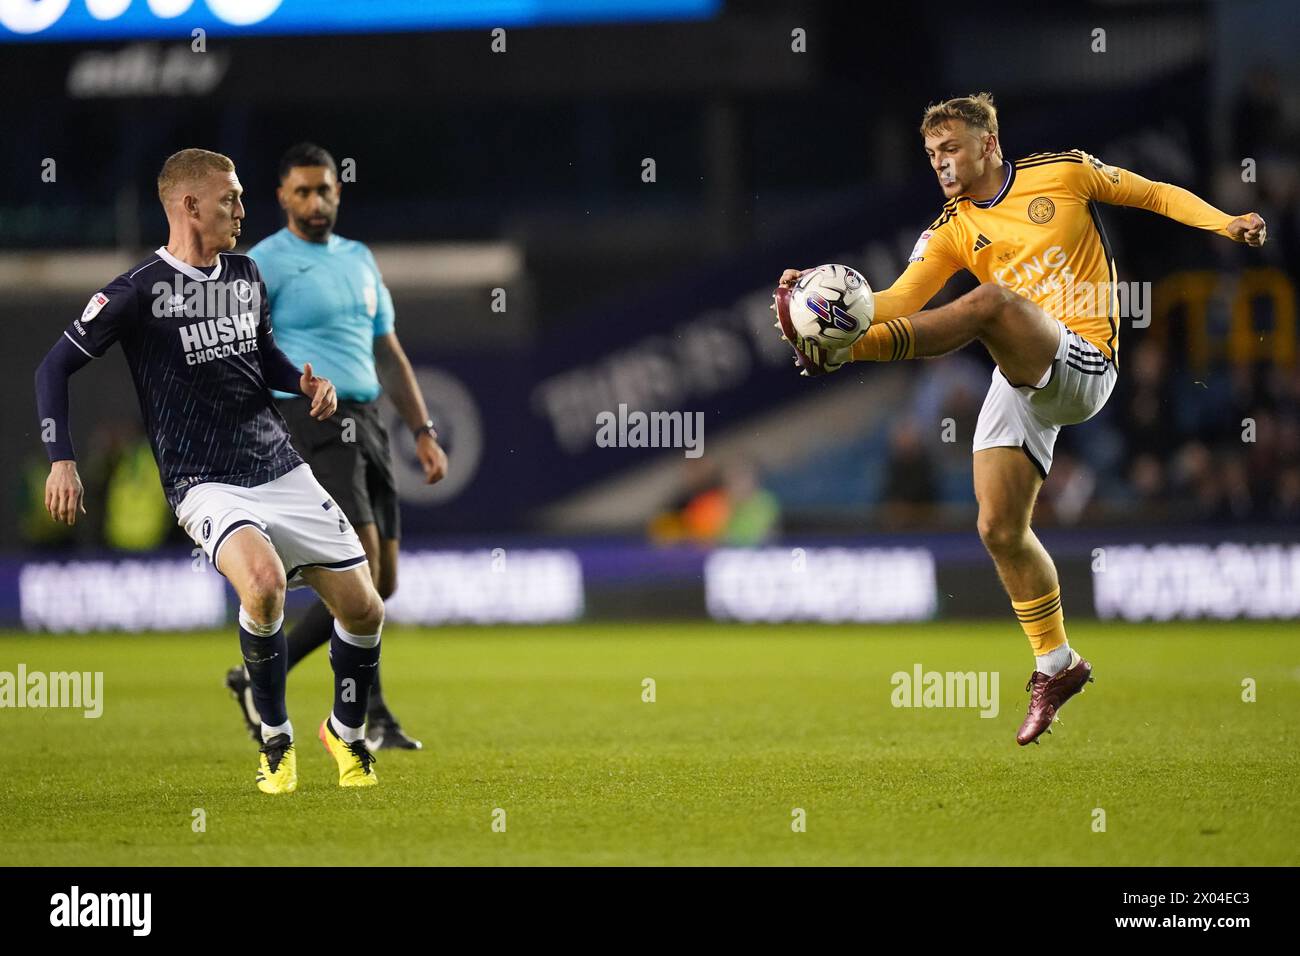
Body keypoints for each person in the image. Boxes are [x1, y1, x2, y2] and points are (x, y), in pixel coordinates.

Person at [778, 93, 1266, 745]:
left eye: (950, 148)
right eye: (931, 155)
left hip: (1086, 360)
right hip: (1023, 373)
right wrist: (824, 301)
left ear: (987, 141)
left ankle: (842, 357)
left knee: (992, 303)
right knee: (999, 529)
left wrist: (1225, 221)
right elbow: (895, 299)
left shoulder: (1060, 173)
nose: (941, 164)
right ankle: (1056, 664)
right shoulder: (951, 229)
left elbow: (1150, 194)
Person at [36, 148, 386, 792]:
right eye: (230, 198)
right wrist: (62, 459)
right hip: (204, 479)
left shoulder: (247, 272)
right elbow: (52, 367)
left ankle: (345, 729)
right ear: (189, 205)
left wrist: (303, 384)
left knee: (365, 609)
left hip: (278, 464)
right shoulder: (136, 291)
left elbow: (264, 360)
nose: (242, 209)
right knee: (263, 582)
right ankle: (275, 739)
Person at [223, 143, 448, 752]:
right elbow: (241, 350)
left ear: (338, 191)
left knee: (385, 583)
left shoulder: (359, 259)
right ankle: (360, 717)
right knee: (362, 575)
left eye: (324, 190)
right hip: (313, 420)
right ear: (282, 197)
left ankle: (264, 678)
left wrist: (422, 431)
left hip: (369, 420)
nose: (315, 202)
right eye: (302, 191)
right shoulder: (263, 262)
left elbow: (388, 352)